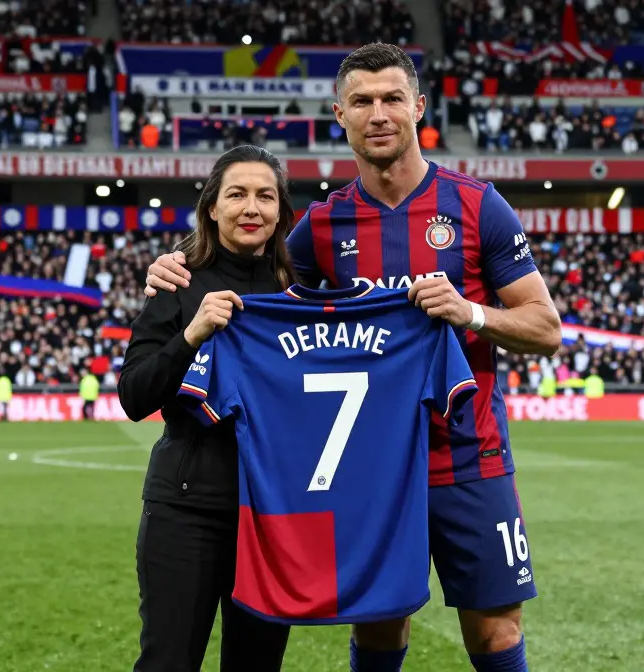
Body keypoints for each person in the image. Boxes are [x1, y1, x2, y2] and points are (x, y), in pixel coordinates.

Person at [143, 43, 562, 672]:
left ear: (419, 107)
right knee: (377, 628)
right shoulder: (320, 226)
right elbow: (248, 266)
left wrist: (470, 313)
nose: (379, 113)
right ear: (340, 114)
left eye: (393, 98)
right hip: (370, 471)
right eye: (362, 101)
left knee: (496, 632)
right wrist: (178, 262)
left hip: (469, 457)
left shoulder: (478, 206)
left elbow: (546, 326)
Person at [117, 144, 296, 672]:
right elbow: (134, 396)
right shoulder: (178, 281)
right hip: (185, 511)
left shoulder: (300, 291)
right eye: (236, 194)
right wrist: (191, 335)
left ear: (281, 211)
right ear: (212, 207)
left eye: (266, 196)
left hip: (269, 517)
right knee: (168, 662)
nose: (251, 208)